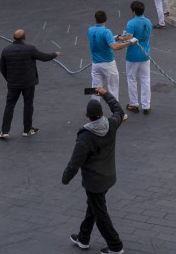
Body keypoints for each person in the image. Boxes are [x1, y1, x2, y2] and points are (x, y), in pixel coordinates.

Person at [63, 86, 126, 254]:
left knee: (100, 214)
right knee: (93, 206)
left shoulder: (85, 136)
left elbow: (74, 163)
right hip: (108, 177)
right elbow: (119, 110)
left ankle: (115, 246)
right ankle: (83, 238)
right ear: (102, 114)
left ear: (87, 116)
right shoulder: (111, 124)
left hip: (94, 181)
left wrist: (65, 178)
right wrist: (105, 94)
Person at [0, 29, 60, 139]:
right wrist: (55, 54)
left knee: (10, 106)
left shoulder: (6, 50)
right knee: (28, 105)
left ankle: (4, 131)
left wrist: (9, 79)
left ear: (14, 37)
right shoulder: (30, 49)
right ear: (24, 38)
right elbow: (44, 57)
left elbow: (2, 68)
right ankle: (27, 130)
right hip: (28, 83)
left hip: (13, 84)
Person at [89, 11, 129, 104]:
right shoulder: (106, 31)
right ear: (106, 19)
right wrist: (129, 42)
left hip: (95, 64)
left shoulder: (90, 30)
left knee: (95, 89)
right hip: (108, 64)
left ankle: (94, 112)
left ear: (95, 19)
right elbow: (114, 47)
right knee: (113, 89)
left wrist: (112, 38)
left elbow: (99, 40)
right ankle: (117, 113)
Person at [120, 1, 152, 114]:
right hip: (145, 55)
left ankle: (133, 104)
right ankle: (146, 105)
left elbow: (128, 37)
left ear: (133, 11)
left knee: (132, 79)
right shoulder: (148, 22)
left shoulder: (131, 23)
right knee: (145, 80)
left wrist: (120, 37)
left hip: (133, 56)